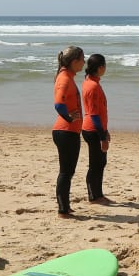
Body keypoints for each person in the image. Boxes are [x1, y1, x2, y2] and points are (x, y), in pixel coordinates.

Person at [52, 45, 85, 217]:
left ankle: (65, 206)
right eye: (82, 59)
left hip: (69, 131)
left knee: (69, 171)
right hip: (65, 131)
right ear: (74, 62)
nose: (84, 62)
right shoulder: (64, 78)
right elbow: (58, 104)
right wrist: (70, 118)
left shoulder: (67, 76)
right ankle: (62, 210)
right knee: (66, 171)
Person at [82, 53, 111, 205]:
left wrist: (105, 131)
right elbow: (94, 115)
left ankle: (98, 194)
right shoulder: (92, 86)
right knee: (95, 164)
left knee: (101, 163)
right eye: (105, 66)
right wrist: (102, 137)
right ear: (100, 68)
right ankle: (93, 196)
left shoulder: (91, 81)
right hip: (92, 130)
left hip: (97, 128)